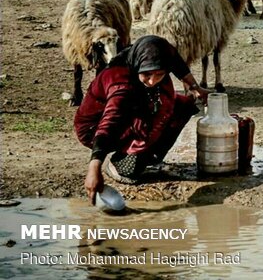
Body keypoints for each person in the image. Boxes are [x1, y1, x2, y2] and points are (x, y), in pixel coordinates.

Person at [74, 35, 209, 205]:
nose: (152, 81)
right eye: (146, 74)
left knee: (181, 105)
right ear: (138, 66)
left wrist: (194, 87)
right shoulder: (120, 83)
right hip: (95, 129)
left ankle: (148, 154)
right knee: (146, 131)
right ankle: (120, 165)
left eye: (159, 74)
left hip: (130, 113)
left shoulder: (149, 57)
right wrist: (94, 168)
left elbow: (174, 60)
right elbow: (110, 122)